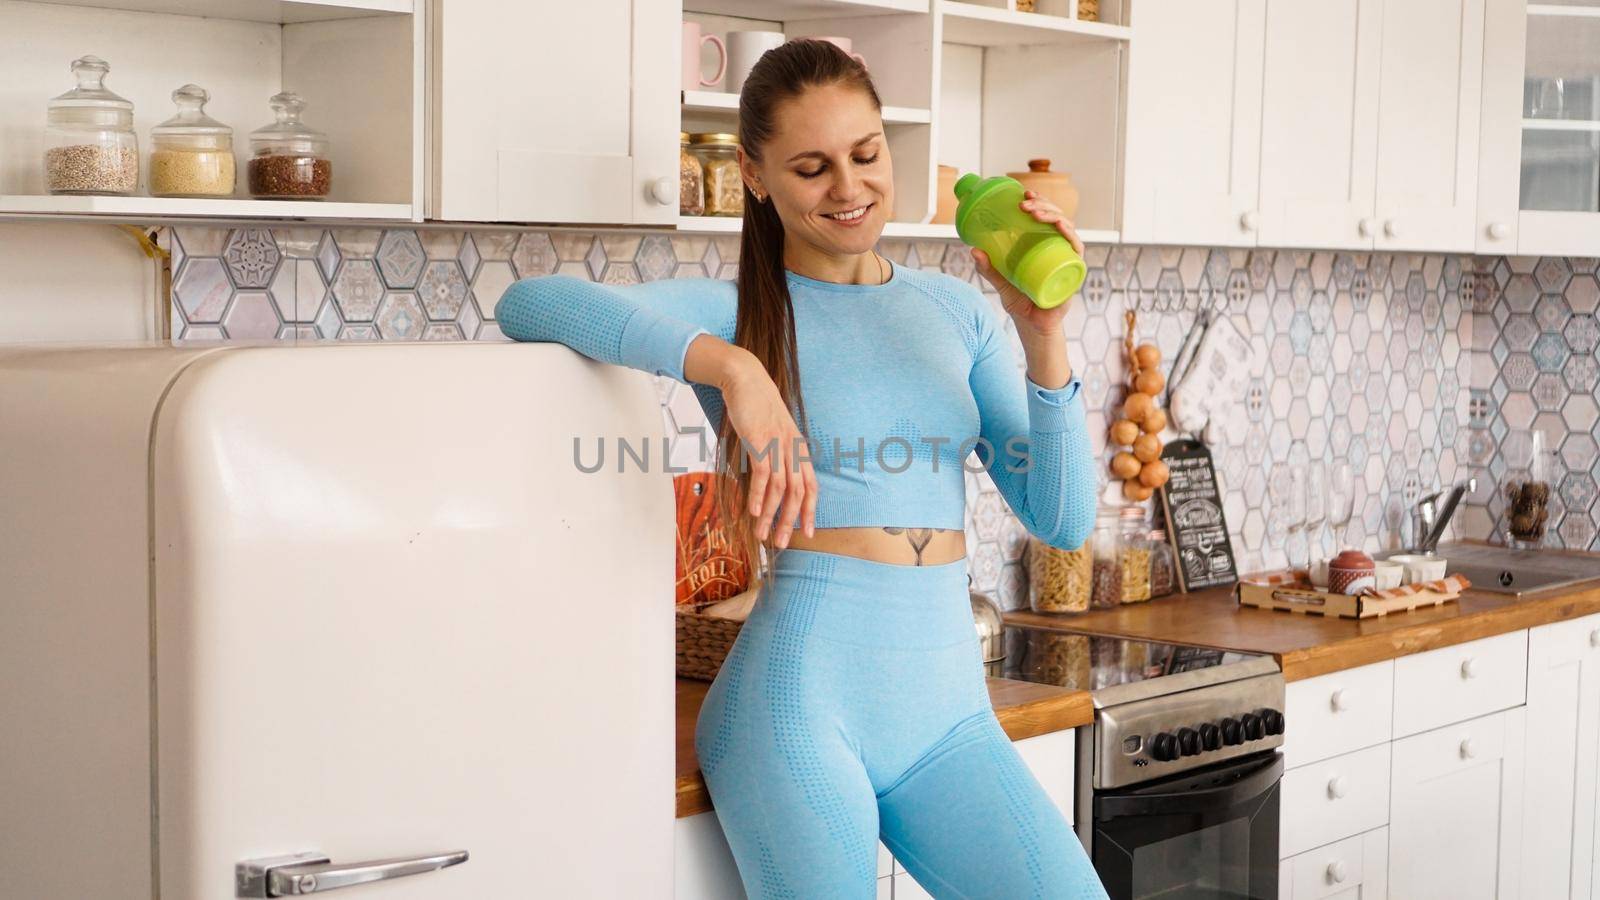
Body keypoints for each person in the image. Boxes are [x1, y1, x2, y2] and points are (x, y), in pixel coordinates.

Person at [496, 38, 1104, 900]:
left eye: (865, 156)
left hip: (948, 715)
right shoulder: (741, 311)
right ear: (753, 173)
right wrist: (736, 369)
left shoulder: (954, 311)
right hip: (797, 712)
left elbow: (1062, 516)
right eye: (812, 168)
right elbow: (530, 304)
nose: (849, 189)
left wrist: (1044, 335)